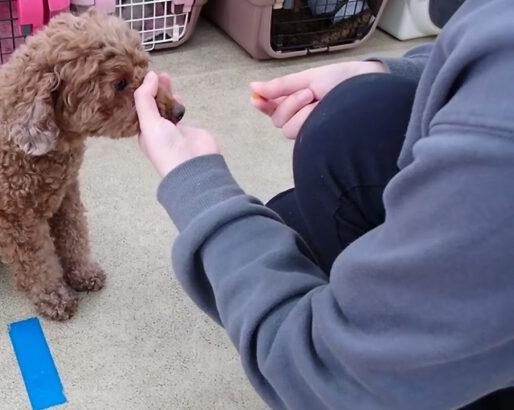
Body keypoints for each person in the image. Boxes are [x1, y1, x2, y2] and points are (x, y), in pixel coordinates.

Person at [133, 0, 514, 408]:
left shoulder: (498, 143)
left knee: (272, 243)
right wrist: (380, 73)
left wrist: (197, 185)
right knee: (343, 136)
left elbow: (330, 378)